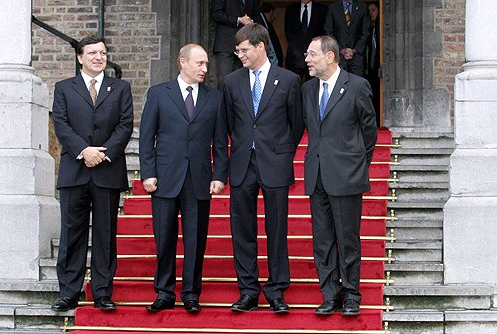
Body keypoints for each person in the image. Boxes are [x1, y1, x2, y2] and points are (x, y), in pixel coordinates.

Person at [139, 44, 228, 313]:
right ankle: (164, 292)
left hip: (199, 179)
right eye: (199, 63)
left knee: (195, 239)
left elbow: (221, 141)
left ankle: (191, 293)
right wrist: (148, 173)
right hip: (165, 178)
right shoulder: (158, 94)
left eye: (206, 65)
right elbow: (146, 138)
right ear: (182, 62)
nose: (204, 69)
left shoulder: (215, 99)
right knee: (164, 237)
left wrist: (219, 174)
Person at [223, 23, 304, 314]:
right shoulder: (232, 81)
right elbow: (229, 123)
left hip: (275, 162)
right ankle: (248, 290)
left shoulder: (289, 79)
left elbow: (296, 124)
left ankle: (276, 290)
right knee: (241, 229)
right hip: (243, 163)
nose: (240, 55)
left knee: (277, 228)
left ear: (260, 47)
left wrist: (281, 151)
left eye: (244, 50)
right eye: (237, 50)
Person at [51, 35, 134, 312]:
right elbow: (61, 125)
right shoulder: (64, 88)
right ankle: (69, 292)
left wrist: (103, 152)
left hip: (107, 171)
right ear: (80, 58)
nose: (99, 57)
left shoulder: (120, 88)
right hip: (75, 170)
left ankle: (102, 292)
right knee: (72, 234)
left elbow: (125, 126)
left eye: (103, 52)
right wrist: (84, 151)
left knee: (105, 234)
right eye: (92, 53)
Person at [302, 35, 377, 316]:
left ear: (330, 56)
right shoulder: (307, 89)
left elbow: (368, 132)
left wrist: (356, 163)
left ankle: (352, 294)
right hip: (317, 175)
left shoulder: (357, 86)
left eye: (311, 54)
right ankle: (330, 294)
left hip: (346, 175)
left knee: (347, 239)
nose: (306, 59)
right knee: (322, 240)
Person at [211, 0, 261, 89]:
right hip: (225, 42)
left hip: (246, 42)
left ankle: (238, 102)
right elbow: (216, 14)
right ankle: (224, 102)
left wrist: (251, 22)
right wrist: (238, 20)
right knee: (224, 79)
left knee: (242, 78)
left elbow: (257, 15)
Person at [284, 0, 327, 82]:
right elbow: (288, 32)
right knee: (293, 84)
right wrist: (297, 51)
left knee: (314, 85)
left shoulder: (322, 9)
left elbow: (324, 32)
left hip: (315, 56)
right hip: (295, 57)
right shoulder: (290, 9)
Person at [325, 0, 370, 77]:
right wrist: (341, 50)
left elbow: (366, 32)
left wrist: (354, 50)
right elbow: (328, 32)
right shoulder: (333, 7)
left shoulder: (362, 7)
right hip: (339, 57)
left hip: (357, 58)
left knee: (358, 85)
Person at [365, 2, 381, 127]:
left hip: (379, 68)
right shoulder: (368, 29)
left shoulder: (381, 30)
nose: (371, 13)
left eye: (373, 10)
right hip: (368, 69)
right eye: (369, 11)